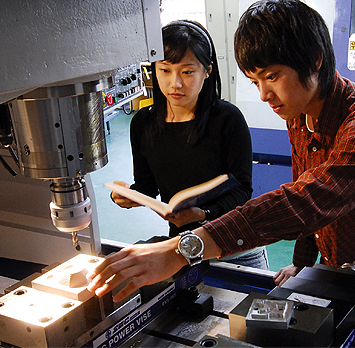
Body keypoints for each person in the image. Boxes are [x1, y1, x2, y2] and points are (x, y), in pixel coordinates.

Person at [89, 0, 355, 314]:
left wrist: (182, 249)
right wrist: (303, 265)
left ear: (315, 60)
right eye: (255, 81)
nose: (263, 94)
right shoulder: (301, 113)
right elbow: (307, 191)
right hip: (350, 277)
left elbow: (309, 201)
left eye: (272, 76)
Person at [110, 19, 269, 270]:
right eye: (165, 70)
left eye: (187, 72)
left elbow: (242, 191)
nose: (175, 83)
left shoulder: (228, 119)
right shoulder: (143, 122)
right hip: (182, 248)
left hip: (236, 250)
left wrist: (203, 213)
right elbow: (148, 185)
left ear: (207, 70)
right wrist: (128, 195)